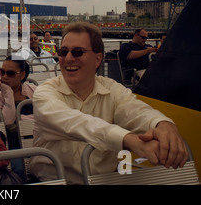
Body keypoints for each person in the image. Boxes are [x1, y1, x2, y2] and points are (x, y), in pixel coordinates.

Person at [30, 22, 188, 185]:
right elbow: (74, 123)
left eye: (78, 52)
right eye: (63, 52)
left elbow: (136, 111)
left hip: (105, 180)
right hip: (52, 181)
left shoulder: (113, 90)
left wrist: (163, 125)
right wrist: (131, 141)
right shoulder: (45, 92)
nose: (69, 58)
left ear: (98, 59)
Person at [0, 56, 35, 126]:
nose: (5, 76)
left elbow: (45, 116)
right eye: (2, 72)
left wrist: (18, 118)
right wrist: (8, 92)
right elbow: (7, 122)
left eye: (11, 73)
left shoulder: (34, 90)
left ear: (22, 75)